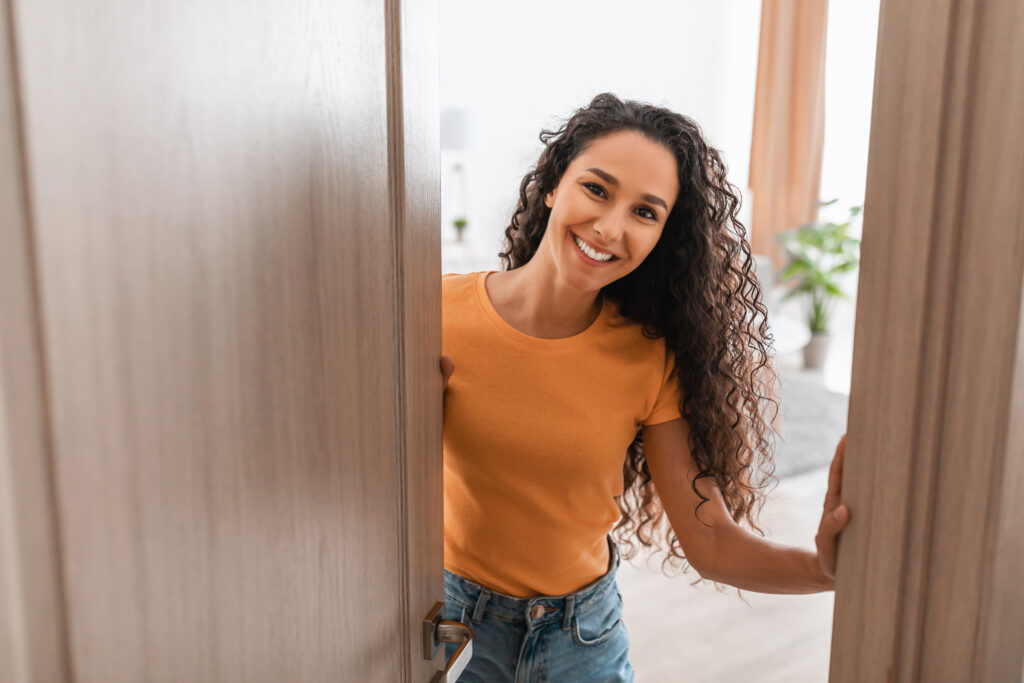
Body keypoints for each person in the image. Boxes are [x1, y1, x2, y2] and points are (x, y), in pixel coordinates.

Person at [438, 92, 850, 682]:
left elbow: (712, 544)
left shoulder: (649, 358)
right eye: (597, 189)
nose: (610, 227)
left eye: (646, 212)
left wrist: (829, 570)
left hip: (580, 640)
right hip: (456, 630)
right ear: (553, 184)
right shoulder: (438, 314)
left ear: (662, 236)